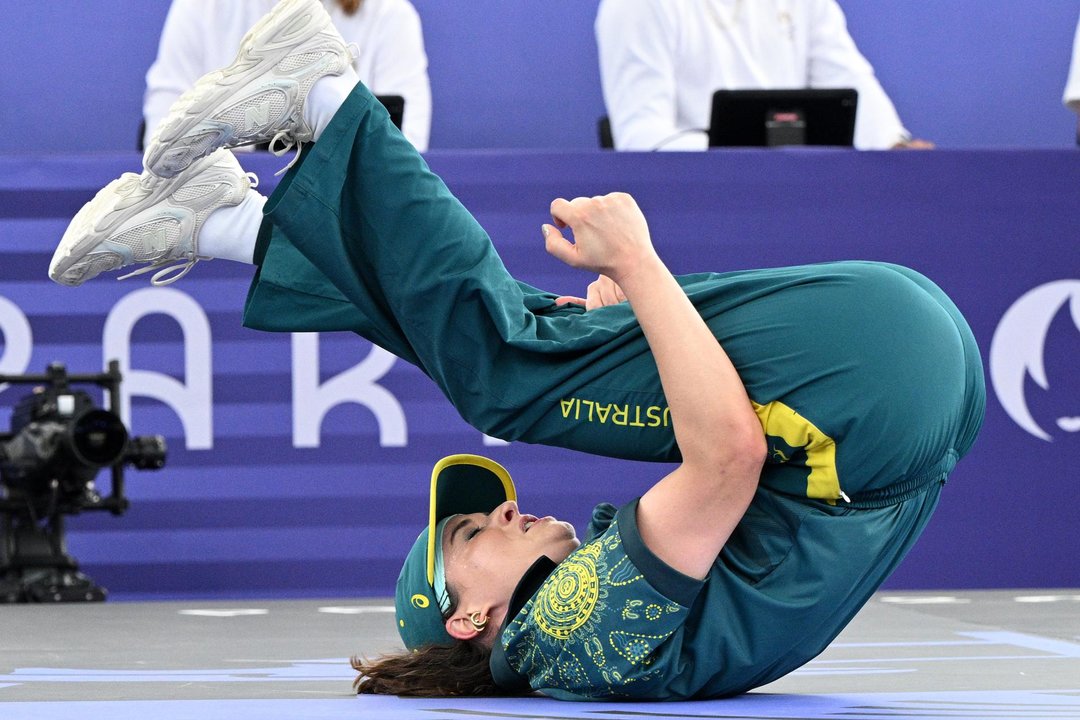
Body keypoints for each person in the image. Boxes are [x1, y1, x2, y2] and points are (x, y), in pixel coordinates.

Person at [49, 0, 985, 700]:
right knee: (507, 370)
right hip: (866, 404)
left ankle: (233, 227)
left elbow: (742, 464)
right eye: (469, 535)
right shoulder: (566, 643)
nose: (503, 513)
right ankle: (327, 100)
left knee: (516, 336)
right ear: (469, 619)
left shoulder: (581, 629)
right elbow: (730, 456)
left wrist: (632, 329)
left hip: (905, 397)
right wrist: (645, 272)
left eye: (477, 519)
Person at [596, 0, 931, 151]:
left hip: (803, 190)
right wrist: (755, 149)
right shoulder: (635, 5)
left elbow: (850, 81)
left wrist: (892, 147)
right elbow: (641, 139)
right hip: (702, 200)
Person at [142, 0, 432, 152]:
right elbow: (161, 138)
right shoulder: (200, 7)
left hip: (350, 221)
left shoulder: (391, 15)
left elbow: (407, 151)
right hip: (226, 214)